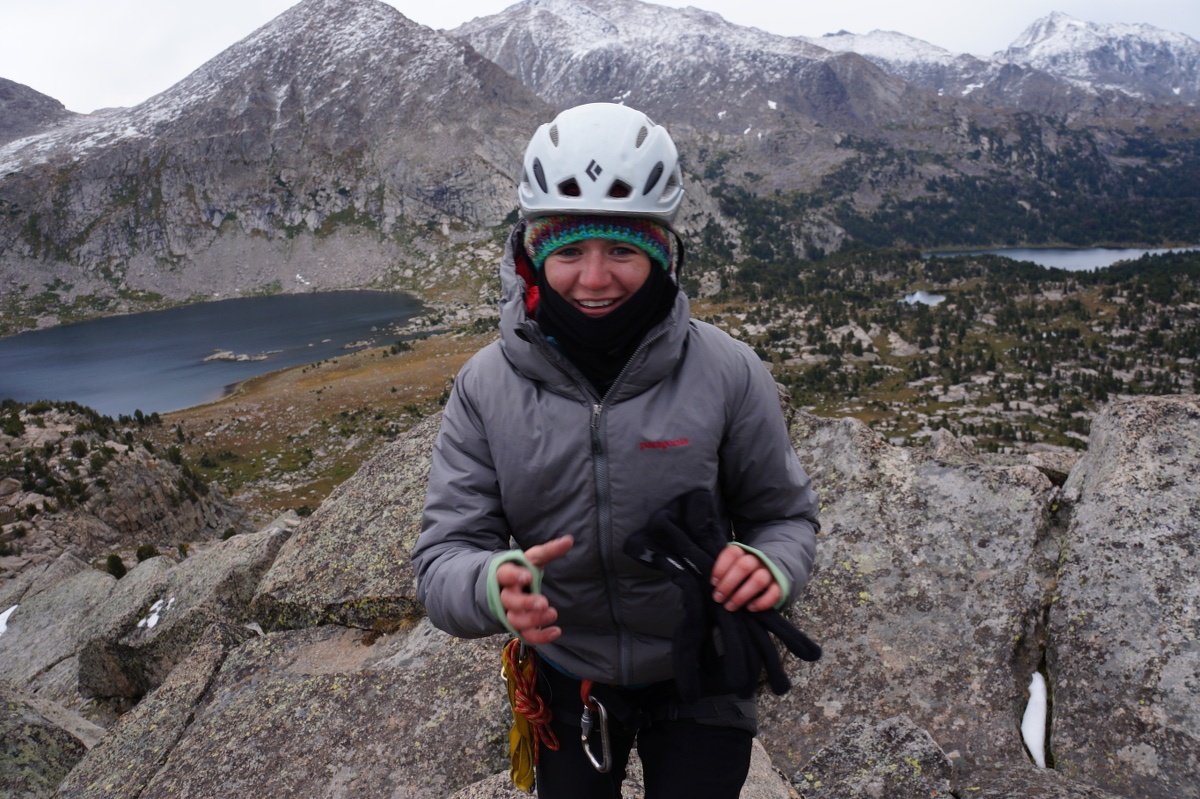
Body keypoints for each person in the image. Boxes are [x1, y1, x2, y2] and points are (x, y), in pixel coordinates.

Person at [412, 102, 819, 799]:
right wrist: (489, 584)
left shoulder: (728, 371)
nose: (594, 279)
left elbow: (784, 516)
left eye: (623, 250)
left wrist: (769, 565)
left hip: (704, 669)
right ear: (533, 256)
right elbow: (441, 557)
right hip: (568, 674)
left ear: (661, 253)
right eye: (569, 250)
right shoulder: (487, 387)